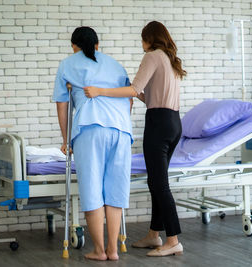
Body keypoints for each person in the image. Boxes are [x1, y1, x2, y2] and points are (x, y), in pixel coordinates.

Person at [84, 21, 186, 257]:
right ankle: (154, 234)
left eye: (142, 39)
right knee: (156, 181)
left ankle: (173, 240)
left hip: (158, 124)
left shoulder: (152, 56)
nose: (141, 44)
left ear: (150, 39)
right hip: (173, 122)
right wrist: (128, 88)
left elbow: (134, 90)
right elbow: (146, 96)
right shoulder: (170, 58)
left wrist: (101, 91)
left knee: (159, 183)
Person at [53, 26, 133, 261]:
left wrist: (66, 140)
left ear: (74, 46)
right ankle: (113, 250)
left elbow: (62, 104)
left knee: (92, 189)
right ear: (98, 45)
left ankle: (99, 250)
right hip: (121, 130)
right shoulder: (116, 65)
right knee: (115, 190)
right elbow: (129, 100)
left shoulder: (67, 64)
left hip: (90, 128)